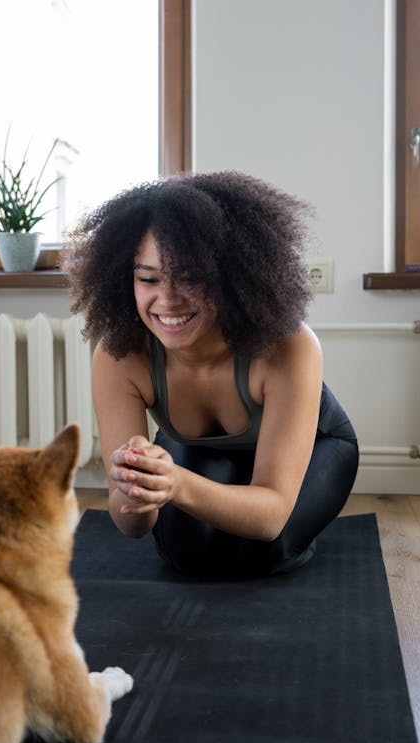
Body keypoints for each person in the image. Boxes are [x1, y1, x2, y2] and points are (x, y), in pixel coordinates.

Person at [63, 171, 359, 578]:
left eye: (190, 277)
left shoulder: (288, 347)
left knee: (263, 548)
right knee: (184, 553)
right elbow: (131, 526)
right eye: (148, 278)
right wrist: (134, 490)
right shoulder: (119, 355)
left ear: (233, 275)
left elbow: (270, 515)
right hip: (202, 455)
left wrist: (178, 486)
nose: (166, 300)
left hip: (320, 449)